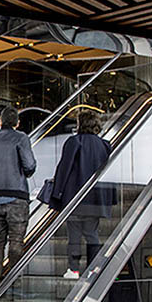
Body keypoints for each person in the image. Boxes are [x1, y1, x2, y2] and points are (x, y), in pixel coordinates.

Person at [48, 109, 113, 279]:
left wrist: (57, 193)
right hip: (96, 200)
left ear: (80, 124)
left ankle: (74, 269)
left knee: (74, 235)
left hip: (75, 199)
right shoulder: (105, 146)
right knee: (92, 234)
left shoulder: (74, 142)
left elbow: (64, 168)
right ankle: (93, 269)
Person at [0, 105, 37, 279]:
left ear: (0, 121)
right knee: (16, 240)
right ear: (17, 123)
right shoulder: (21, 138)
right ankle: (13, 278)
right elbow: (29, 165)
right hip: (16, 197)